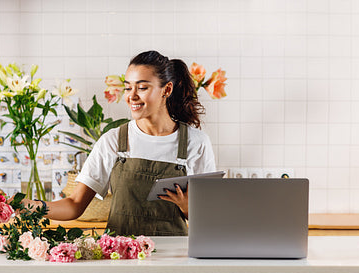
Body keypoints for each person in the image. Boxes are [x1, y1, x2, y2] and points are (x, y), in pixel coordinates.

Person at [23, 50, 216, 236]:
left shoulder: (196, 143)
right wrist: (30, 207)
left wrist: (187, 207)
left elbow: (211, 218)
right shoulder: (113, 140)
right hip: (120, 256)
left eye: (142, 88)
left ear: (167, 89)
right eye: (127, 87)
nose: (132, 96)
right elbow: (74, 204)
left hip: (173, 257)